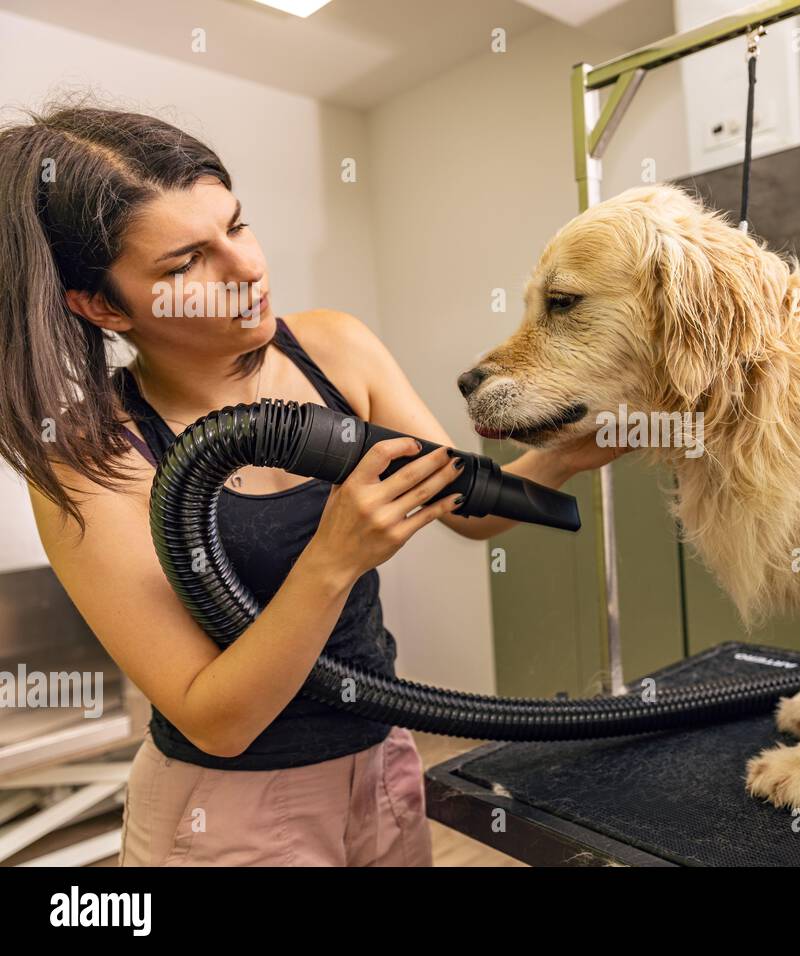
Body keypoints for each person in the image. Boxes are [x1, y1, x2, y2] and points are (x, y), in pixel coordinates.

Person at [0, 104, 622, 866]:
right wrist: (335, 557)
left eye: (237, 225)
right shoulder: (93, 455)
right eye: (185, 264)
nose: (246, 268)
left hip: (382, 764)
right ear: (100, 305)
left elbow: (463, 504)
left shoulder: (334, 345)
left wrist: (564, 456)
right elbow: (214, 720)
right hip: (228, 813)